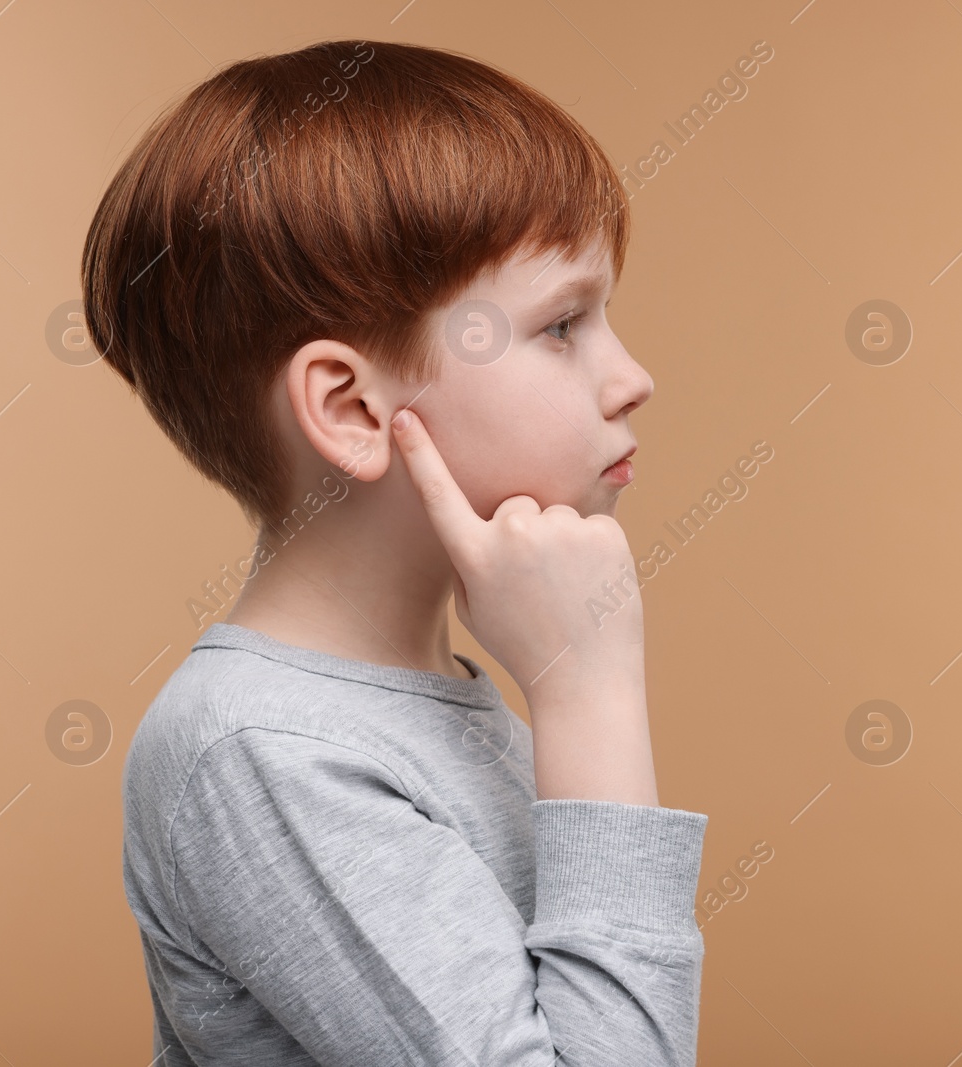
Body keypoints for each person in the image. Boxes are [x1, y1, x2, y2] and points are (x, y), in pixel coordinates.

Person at [82, 38, 708, 1065]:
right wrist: (589, 696)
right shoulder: (265, 750)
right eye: (562, 325)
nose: (631, 374)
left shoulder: (430, 703)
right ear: (350, 406)